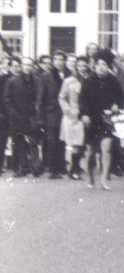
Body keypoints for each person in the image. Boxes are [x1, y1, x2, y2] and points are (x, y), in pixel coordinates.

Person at [79, 51, 124, 190]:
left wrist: (117, 105)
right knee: (90, 152)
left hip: (106, 120)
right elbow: (82, 101)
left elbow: (121, 98)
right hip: (91, 120)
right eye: (98, 64)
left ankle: (104, 179)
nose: (100, 67)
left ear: (108, 66)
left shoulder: (113, 81)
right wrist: (84, 115)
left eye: (104, 64)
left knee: (107, 148)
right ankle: (90, 177)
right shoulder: (88, 81)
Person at [5, 57, 42, 177]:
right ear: (21, 66)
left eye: (30, 65)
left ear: (33, 67)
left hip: (32, 116)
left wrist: (37, 113)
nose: (27, 67)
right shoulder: (13, 81)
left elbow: (39, 99)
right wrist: (13, 113)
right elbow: (7, 99)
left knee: (33, 142)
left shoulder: (37, 81)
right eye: (25, 65)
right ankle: (22, 167)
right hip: (17, 116)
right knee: (19, 143)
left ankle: (36, 167)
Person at [37, 51, 67, 179]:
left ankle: (61, 166)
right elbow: (40, 98)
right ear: (53, 61)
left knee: (62, 141)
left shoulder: (67, 75)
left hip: (64, 114)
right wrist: (40, 117)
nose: (60, 62)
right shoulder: (46, 76)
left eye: (62, 59)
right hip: (50, 114)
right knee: (51, 142)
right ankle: (52, 169)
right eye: (57, 59)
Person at [58, 56, 88, 179]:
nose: (82, 68)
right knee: (74, 143)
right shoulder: (69, 81)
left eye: (84, 66)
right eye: (79, 65)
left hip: (85, 115)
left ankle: (76, 167)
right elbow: (61, 97)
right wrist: (68, 110)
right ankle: (73, 169)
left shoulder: (89, 80)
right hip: (73, 116)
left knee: (81, 144)